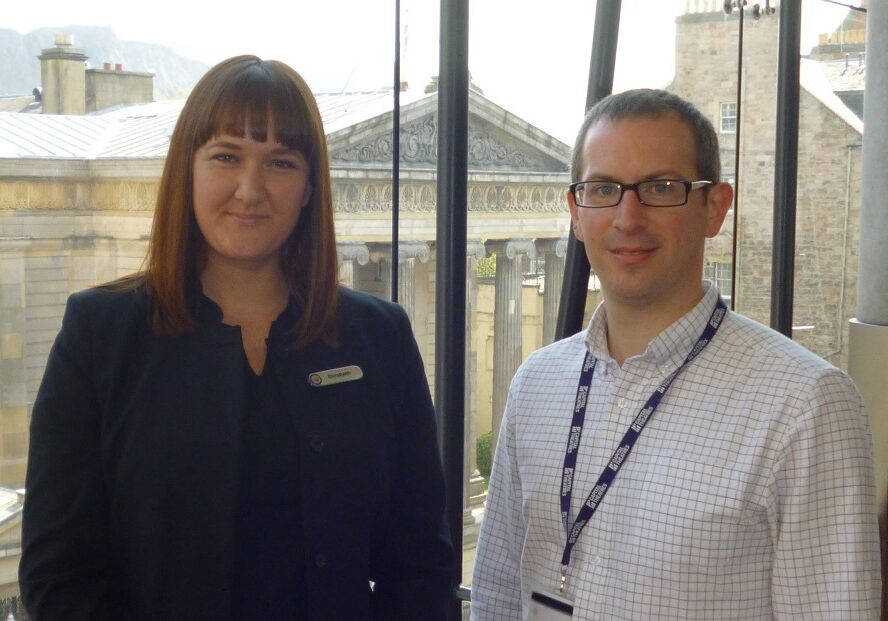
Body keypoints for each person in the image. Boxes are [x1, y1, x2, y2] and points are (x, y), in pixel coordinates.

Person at [19, 55, 453, 620]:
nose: (250, 190)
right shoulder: (100, 336)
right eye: (226, 156)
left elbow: (422, 562)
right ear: (188, 171)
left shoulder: (380, 338)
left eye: (280, 162)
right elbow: (60, 578)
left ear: (307, 188)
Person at [471, 88, 880, 619]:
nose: (628, 216)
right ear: (576, 211)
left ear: (715, 207)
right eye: (603, 189)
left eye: (661, 188)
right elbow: (498, 593)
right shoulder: (537, 384)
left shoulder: (805, 404)